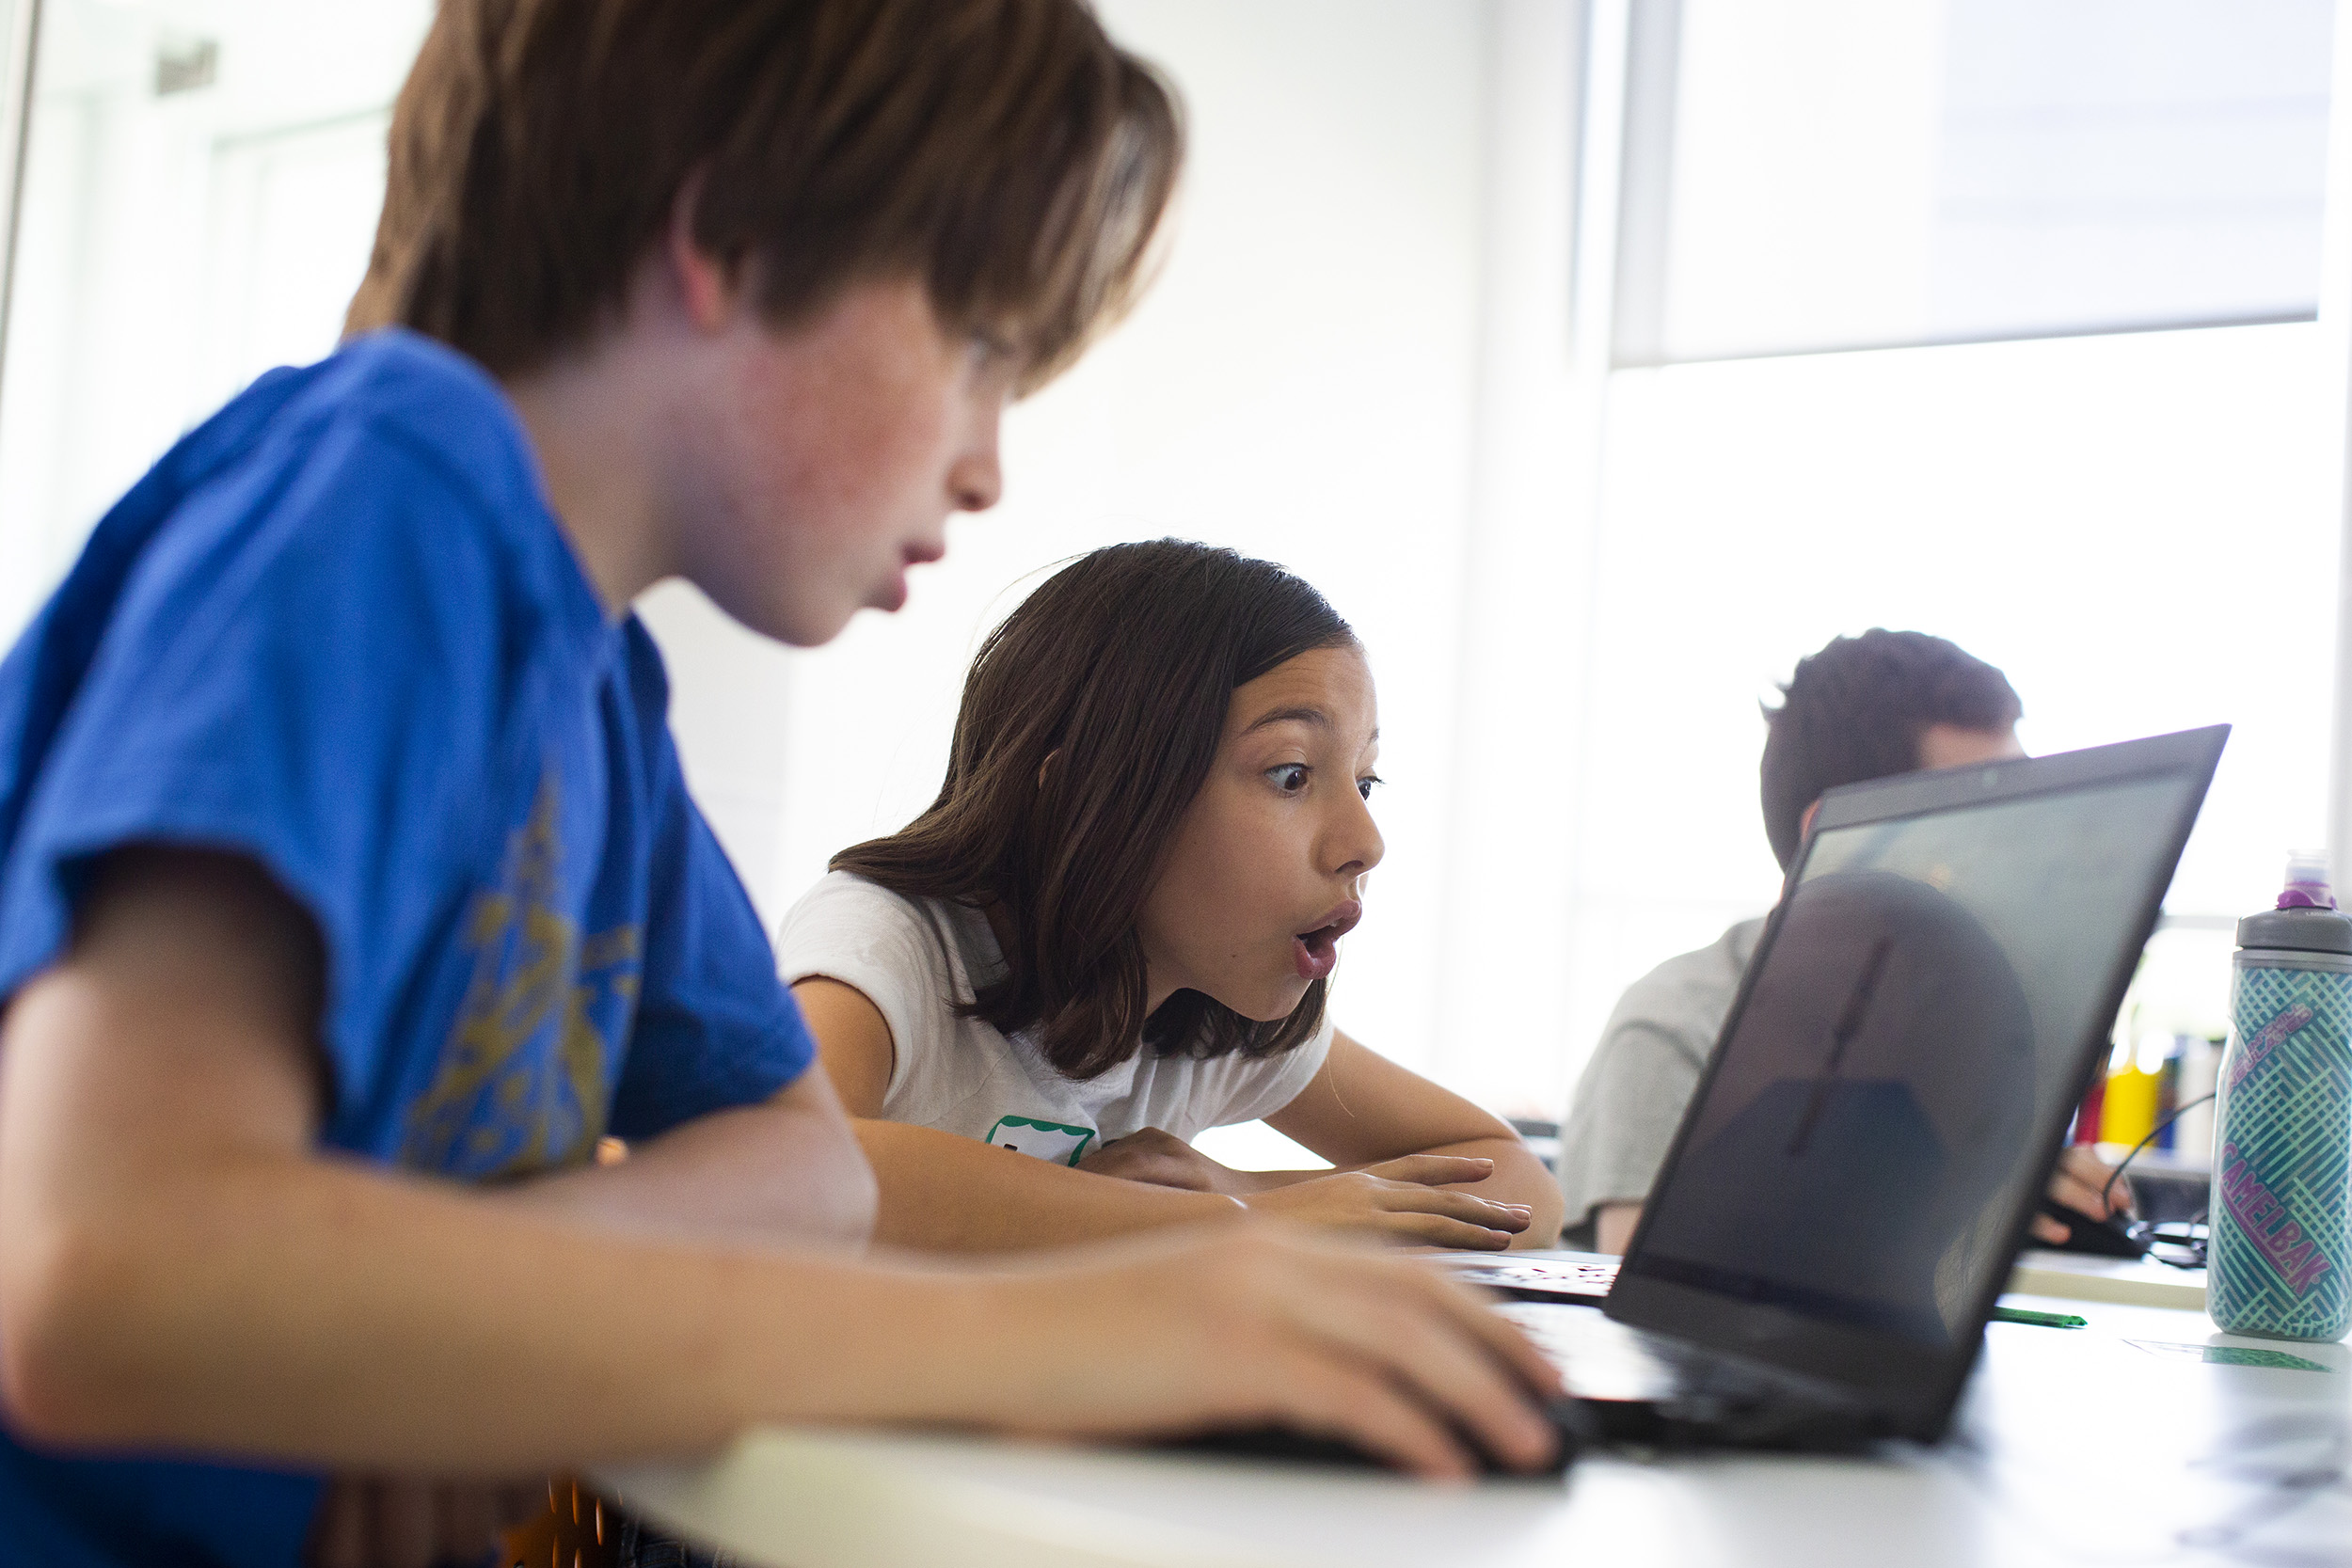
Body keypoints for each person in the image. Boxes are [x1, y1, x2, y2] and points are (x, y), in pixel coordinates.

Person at [0, 6, 1563, 1564]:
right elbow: (95, 1270)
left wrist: (432, 1334)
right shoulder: (379, 503)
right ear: (733, 238)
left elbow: (805, 1163)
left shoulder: (596, 691)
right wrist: (1071, 1334)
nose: (986, 465)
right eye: (975, 351)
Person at [779, 541, 1566, 1255]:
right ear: (1086, 795)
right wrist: (1237, 1225)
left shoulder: (1210, 1013)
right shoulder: (886, 942)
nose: (1366, 841)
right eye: (1291, 774)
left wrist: (1244, 1189)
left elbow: (1520, 1187)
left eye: (1365, 781)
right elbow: (799, 1165)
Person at [1555, 628, 2126, 1255]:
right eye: (1981, 818)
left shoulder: (1973, 1026)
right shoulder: (1677, 1021)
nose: (2021, 850)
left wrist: (2033, 1192)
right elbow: (1648, 1283)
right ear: (1836, 838)